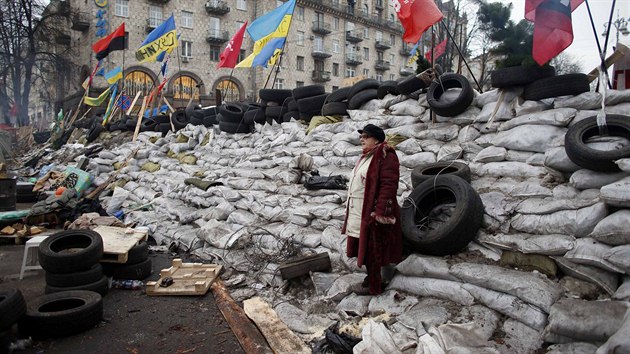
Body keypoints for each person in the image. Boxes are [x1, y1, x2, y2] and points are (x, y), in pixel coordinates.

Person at [342, 124, 403, 295]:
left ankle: (376, 287)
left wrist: (380, 212)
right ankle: (371, 278)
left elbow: (389, 184)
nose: (362, 139)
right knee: (366, 248)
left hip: (372, 212)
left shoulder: (385, 156)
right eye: (361, 137)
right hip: (359, 210)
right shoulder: (366, 157)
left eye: (366, 136)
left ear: (376, 139)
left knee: (374, 249)